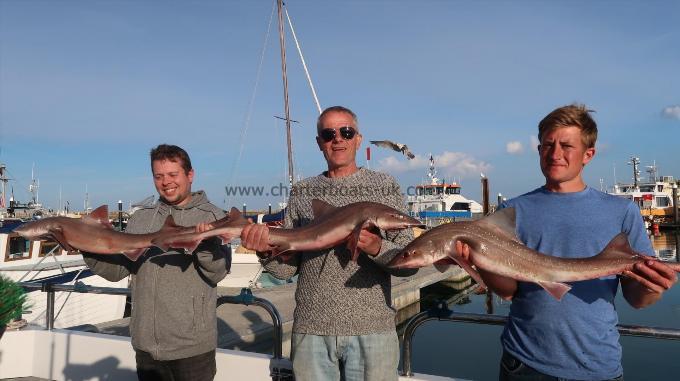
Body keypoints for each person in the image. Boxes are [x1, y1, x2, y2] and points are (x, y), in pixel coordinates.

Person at [457, 104, 677, 380]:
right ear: (538, 150)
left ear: (588, 154)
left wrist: (654, 286)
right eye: (547, 145)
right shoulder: (511, 212)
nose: (555, 154)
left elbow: (638, 300)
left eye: (566, 146)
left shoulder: (622, 212)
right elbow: (511, 291)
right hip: (524, 364)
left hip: (597, 365)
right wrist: (478, 260)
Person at [240, 106, 416, 381]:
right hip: (312, 328)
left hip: (372, 328)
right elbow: (288, 271)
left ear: (358, 138)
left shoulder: (385, 186)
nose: (338, 139)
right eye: (328, 133)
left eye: (346, 132)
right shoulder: (303, 191)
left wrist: (376, 247)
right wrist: (264, 248)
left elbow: (409, 264)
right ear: (319, 142)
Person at [82, 144, 229, 381]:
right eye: (159, 176)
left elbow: (217, 272)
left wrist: (205, 244)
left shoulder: (213, 217)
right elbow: (118, 270)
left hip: (192, 349)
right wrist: (86, 246)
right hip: (146, 347)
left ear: (190, 175)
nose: (166, 182)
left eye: (173, 174)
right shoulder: (141, 219)